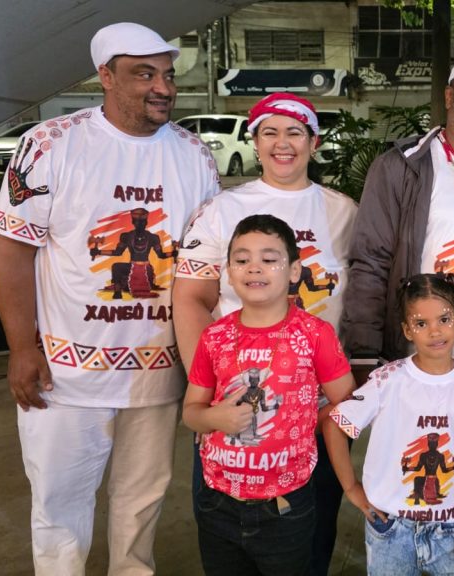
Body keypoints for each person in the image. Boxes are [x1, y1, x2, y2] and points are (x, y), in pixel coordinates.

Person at [0, 22, 220, 575]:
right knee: (59, 505)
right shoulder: (50, 144)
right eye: (144, 74)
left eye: (167, 75)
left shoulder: (194, 154)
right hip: (66, 375)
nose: (162, 87)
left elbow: (208, 265)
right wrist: (21, 348)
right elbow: (11, 251)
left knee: (141, 504)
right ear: (106, 77)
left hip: (160, 372)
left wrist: (206, 363)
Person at [341, 53, 454, 548]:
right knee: (405, 474)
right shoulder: (404, 166)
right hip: (417, 359)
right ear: (449, 95)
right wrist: (363, 350)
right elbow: (371, 259)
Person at [172, 92, 357, 575]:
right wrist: (209, 399)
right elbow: (190, 299)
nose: (282, 143)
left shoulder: (344, 212)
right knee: (227, 535)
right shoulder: (221, 209)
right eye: (269, 132)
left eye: (295, 132)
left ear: (314, 142)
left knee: (310, 538)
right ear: (254, 142)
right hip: (237, 411)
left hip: (316, 410)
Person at [182, 214, 355, 575]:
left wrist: (306, 422)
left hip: (286, 505)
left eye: (269, 258)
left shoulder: (315, 334)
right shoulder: (214, 337)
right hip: (218, 502)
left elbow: (348, 404)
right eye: (242, 259)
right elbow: (191, 413)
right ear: (228, 272)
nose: (254, 268)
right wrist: (213, 417)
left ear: (294, 271)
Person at [324, 274, 454, 576]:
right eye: (421, 323)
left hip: (453, 529)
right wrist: (351, 488)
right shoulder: (387, 380)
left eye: (444, 319)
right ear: (407, 330)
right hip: (391, 529)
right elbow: (334, 425)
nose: (434, 331)